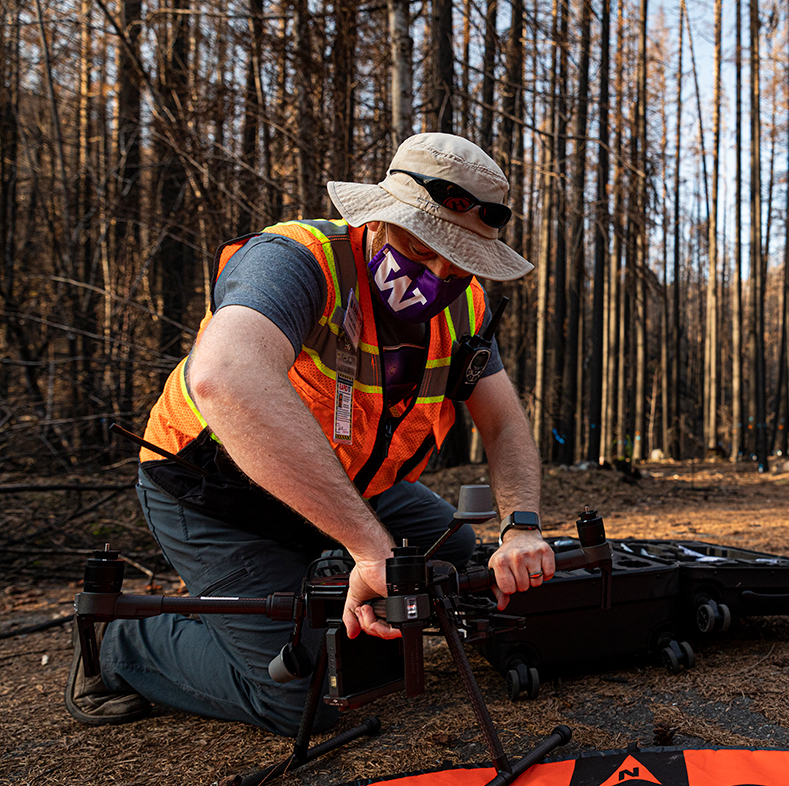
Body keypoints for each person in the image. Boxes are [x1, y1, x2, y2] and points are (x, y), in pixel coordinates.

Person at [65, 133, 555, 736]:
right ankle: (125, 646)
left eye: (458, 265)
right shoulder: (298, 259)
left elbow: (504, 424)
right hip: (214, 490)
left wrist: (521, 524)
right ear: (378, 221)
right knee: (304, 698)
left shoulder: (467, 309)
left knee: (448, 555)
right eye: (421, 249)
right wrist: (371, 549)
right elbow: (224, 378)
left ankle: (321, 575)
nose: (436, 276)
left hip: (347, 485)